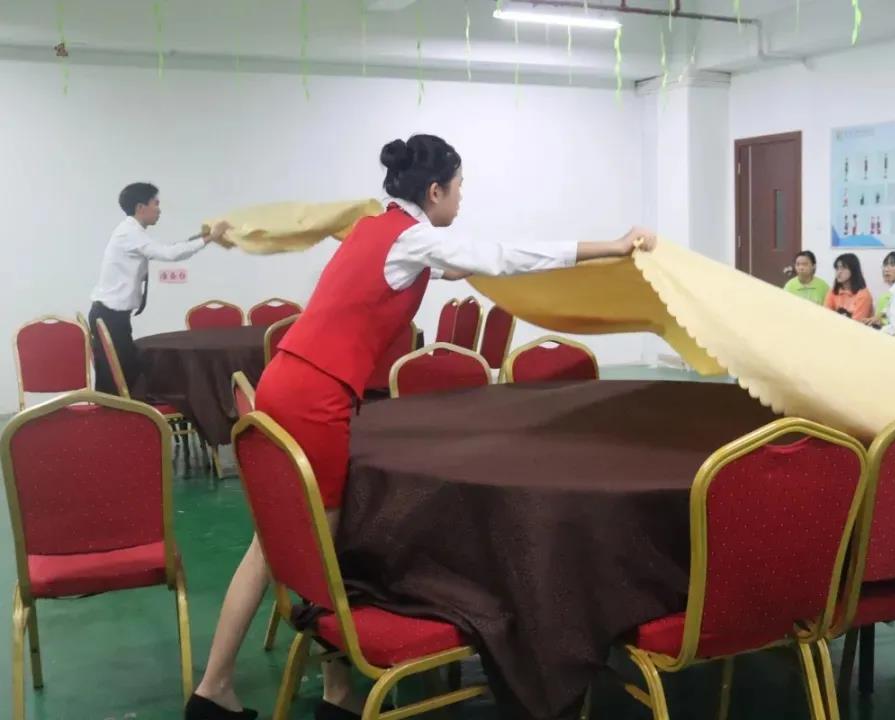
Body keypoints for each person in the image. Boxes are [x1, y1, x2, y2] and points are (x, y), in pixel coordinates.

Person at [184, 135, 658, 720]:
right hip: (316, 396)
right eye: (458, 189)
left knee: (280, 543)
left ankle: (228, 688)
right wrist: (611, 246)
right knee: (324, 547)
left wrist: (457, 267)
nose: (461, 200)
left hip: (286, 378)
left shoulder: (375, 227)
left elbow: (441, 261)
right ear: (434, 191)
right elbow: (506, 254)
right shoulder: (411, 238)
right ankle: (294, 691)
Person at [89, 182, 228, 394]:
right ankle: (119, 414)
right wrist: (210, 238)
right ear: (140, 207)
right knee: (120, 380)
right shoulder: (129, 233)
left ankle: (128, 411)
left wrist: (202, 238)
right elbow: (169, 254)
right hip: (110, 318)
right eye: (156, 203)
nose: (159, 209)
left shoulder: (132, 232)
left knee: (126, 374)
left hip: (112, 316)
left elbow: (168, 248)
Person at [824, 253, 873, 321]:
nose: (839, 272)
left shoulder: (863, 294)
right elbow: (826, 316)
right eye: (837, 268)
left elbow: (857, 323)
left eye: (843, 268)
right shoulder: (832, 292)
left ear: (853, 270)